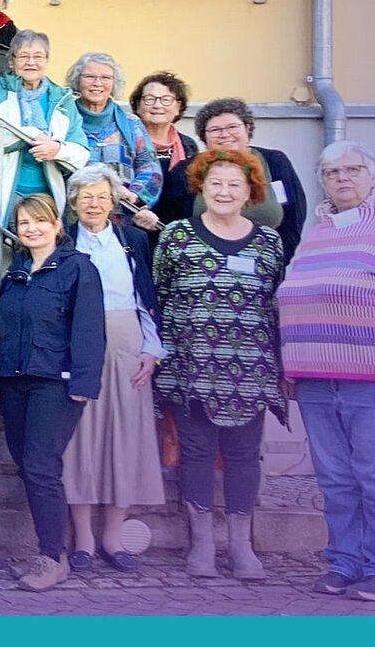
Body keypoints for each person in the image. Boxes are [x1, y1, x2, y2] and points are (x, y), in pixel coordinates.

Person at [154, 148, 288, 580]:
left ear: (250, 191)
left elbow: (274, 304)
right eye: (216, 184)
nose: (224, 191)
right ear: (201, 188)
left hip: (251, 370)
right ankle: (203, 546)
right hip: (192, 369)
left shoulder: (269, 243)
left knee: (244, 456)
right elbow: (161, 296)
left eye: (235, 184)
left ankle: (242, 547)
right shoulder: (176, 237)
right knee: (196, 454)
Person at [277, 141, 375, 600]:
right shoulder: (318, 230)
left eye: (352, 170)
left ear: (370, 177)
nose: (342, 179)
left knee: (371, 476)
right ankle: (344, 562)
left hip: (366, 379)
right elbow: (293, 298)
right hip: (314, 377)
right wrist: (290, 366)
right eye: (332, 172)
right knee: (335, 479)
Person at [0, 193, 104, 592]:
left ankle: (53, 557)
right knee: (28, 464)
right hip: (15, 380)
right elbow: (5, 328)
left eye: (39, 221)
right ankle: (49, 551)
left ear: (58, 224)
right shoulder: (16, 273)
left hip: (55, 382)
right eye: (23, 223)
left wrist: (84, 384)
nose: (31, 228)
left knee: (40, 464)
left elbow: (90, 329)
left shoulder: (77, 270)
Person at [62, 165, 167, 574]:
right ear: (73, 203)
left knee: (125, 440)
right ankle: (84, 540)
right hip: (78, 345)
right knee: (81, 443)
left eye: (102, 196)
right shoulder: (63, 241)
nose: (94, 203)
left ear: (113, 201)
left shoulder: (133, 240)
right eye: (86, 196)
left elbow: (147, 298)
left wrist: (152, 351)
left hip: (127, 342)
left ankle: (113, 537)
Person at [0, 29, 90, 276]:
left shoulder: (62, 97)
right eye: (24, 56)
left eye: (38, 56)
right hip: (2, 194)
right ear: (11, 61)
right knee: (0, 267)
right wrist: (26, 133)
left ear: (47, 61)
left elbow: (81, 151)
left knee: (42, 263)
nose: (31, 62)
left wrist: (57, 149)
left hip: (46, 197)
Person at [156, 98, 307, 264]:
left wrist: (276, 261)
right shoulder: (185, 171)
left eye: (232, 127)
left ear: (247, 128)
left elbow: (294, 218)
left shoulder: (275, 162)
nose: (224, 134)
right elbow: (170, 221)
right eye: (215, 129)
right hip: (201, 268)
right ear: (204, 137)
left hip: (263, 266)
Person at [65, 52, 162, 216]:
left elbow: (151, 169)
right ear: (77, 80)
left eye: (105, 78)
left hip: (120, 216)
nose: (97, 83)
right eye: (89, 77)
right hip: (71, 216)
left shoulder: (131, 123)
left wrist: (134, 194)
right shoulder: (62, 119)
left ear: (114, 84)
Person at [130, 71, 198, 233]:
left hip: (177, 232)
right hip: (135, 228)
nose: (157, 105)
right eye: (149, 99)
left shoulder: (188, 145)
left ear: (178, 107)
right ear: (138, 106)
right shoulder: (126, 141)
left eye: (166, 100)